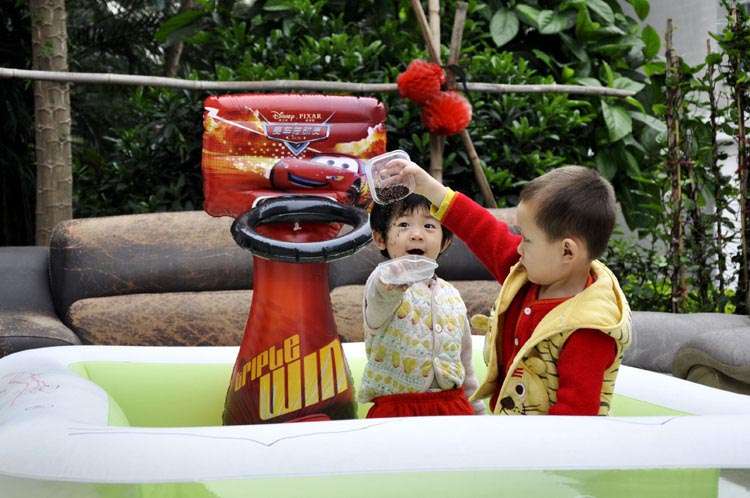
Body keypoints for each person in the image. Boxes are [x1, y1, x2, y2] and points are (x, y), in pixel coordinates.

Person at [386, 163, 631, 416]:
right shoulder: (532, 272)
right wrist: (428, 187)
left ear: (567, 251)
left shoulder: (589, 329)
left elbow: (575, 420)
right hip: (511, 430)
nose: (519, 247)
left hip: (547, 440)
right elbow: (482, 229)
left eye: (527, 239)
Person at [359, 193, 485, 417]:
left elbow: (464, 362)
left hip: (453, 406)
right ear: (380, 238)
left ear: (445, 242)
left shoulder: (452, 295)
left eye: (429, 226)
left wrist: (477, 411)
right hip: (396, 409)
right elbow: (378, 305)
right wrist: (390, 283)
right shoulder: (382, 283)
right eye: (403, 224)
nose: (417, 235)